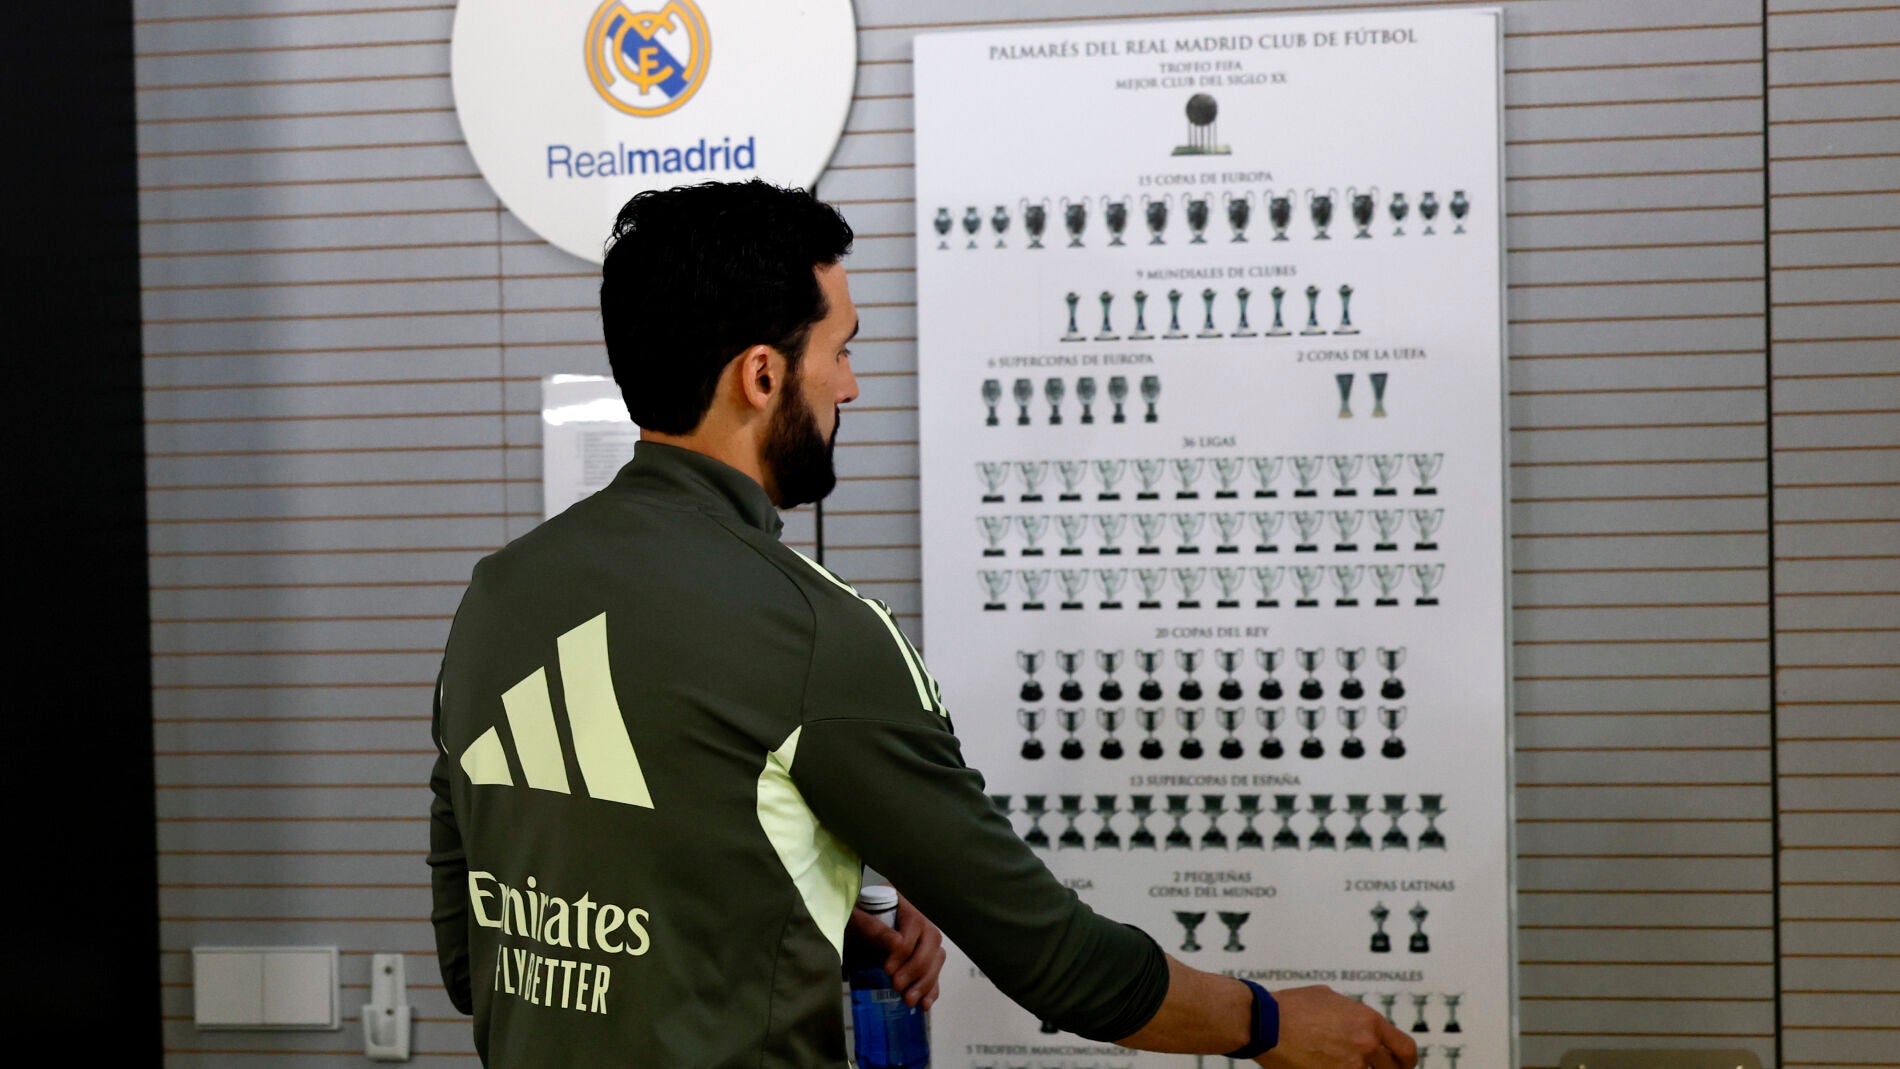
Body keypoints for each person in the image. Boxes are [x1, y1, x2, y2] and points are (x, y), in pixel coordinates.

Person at [428, 179, 1418, 1069]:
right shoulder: (815, 633)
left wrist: (802, 923)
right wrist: (1270, 1021)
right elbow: (1055, 958)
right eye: (840, 349)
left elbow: (476, 962)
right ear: (762, 375)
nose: (850, 384)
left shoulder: (498, 595)